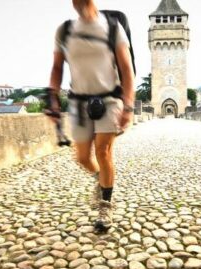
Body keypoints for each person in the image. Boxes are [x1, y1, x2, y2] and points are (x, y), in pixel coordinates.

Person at [48, 0, 135, 233]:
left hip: (109, 100)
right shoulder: (64, 30)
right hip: (78, 103)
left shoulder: (112, 27)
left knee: (103, 151)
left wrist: (128, 106)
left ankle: (105, 206)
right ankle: (100, 177)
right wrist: (53, 97)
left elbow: (127, 70)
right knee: (83, 157)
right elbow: (57, 68)